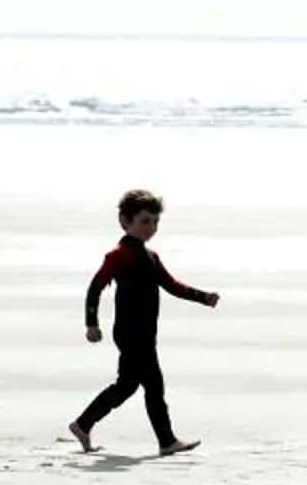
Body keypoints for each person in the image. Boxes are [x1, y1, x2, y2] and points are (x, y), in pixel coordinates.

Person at [70, 188, 219, 456]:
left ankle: (83, 424)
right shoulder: (119, 255)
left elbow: (172, 285)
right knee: (154, 385)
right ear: (125, 221)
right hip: (130, 333)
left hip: (146, 332)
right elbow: (95, 287)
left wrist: (202, 297)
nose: (151, 228)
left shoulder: (151, 257)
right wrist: (91, 323)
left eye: (155, 222)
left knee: (127, 386)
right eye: (145, 221)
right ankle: (166, 441)